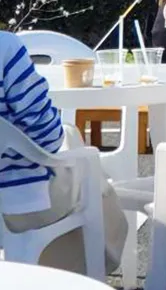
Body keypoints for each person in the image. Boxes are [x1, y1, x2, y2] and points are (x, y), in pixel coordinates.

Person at [0, 30, 127, 273]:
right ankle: (97, 266)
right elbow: (48, 138)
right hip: (20, 202)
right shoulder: (5, 48)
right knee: (83, 159)